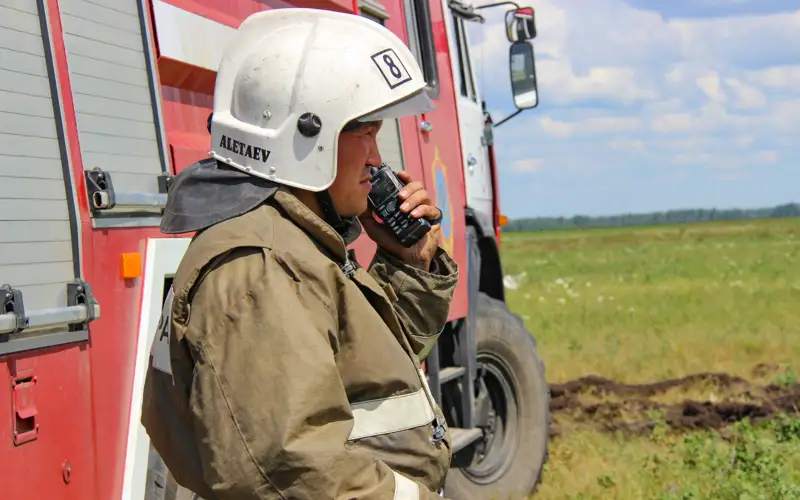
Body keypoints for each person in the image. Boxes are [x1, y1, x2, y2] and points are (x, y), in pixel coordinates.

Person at [140, 7, 459, 500]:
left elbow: (368, 379)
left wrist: (407, 261)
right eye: (365, 133)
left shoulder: (298, 244)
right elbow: (293, 469)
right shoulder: (264, 269)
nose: (377, 160)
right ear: (309, 136)